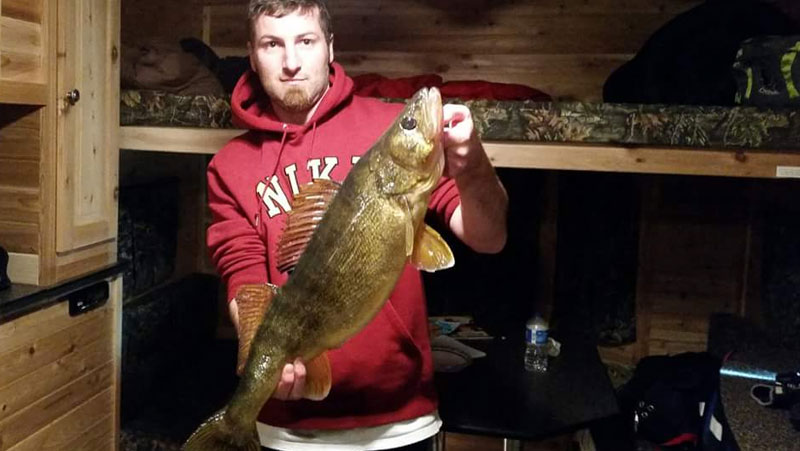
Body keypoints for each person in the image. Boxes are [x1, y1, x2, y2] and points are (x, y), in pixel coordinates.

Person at [206, 1, 508, 449]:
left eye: (305, 41)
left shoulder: (389, 129)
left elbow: (489, 237)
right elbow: (244, 277)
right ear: (252, 55)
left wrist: (472, 165)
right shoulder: (228, 165)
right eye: (273, 44)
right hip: (285, 430)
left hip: (401, 421)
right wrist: (265, 360)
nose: (291, 62)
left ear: (330, 47)